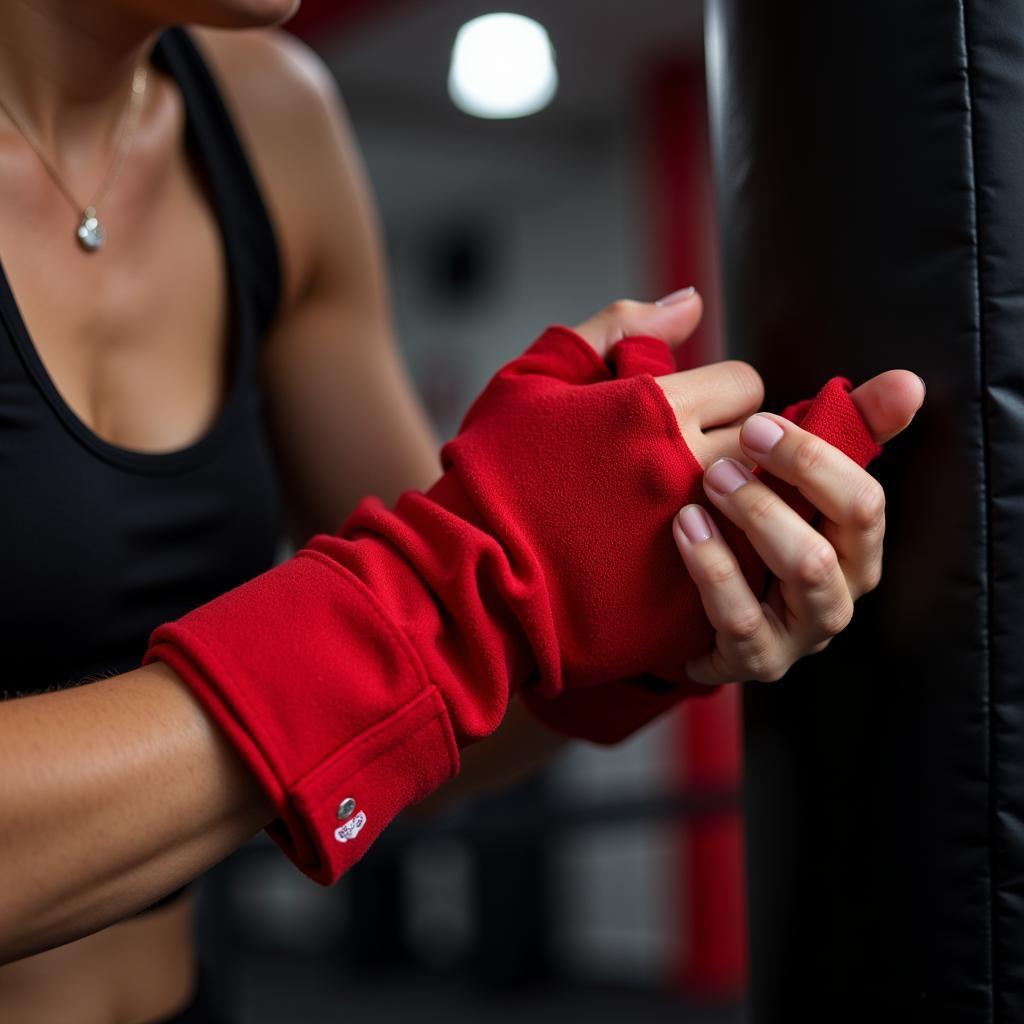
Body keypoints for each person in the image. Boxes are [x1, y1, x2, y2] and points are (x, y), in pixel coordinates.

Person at [0, 2, 925, 1022]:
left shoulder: (270, 116)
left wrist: (642, 594)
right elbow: (427, 616)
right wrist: (443, 599)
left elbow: (432, 716)